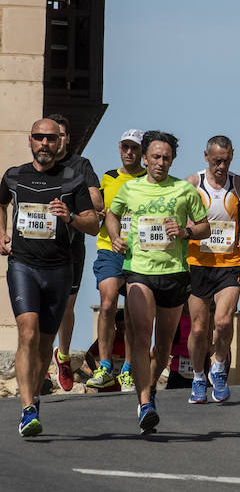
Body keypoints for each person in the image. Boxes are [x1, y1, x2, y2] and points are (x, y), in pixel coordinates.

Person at [106, 131, 210, 435]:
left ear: (172, 160)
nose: (160, 162)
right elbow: (112, 215)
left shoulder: (184, 190)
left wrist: (185, 232)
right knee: (141, 337)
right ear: (145, 158)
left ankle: (150, 388)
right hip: (139, 271)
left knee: (163, 347)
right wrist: (115, 237)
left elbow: (204, 227)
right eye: (155, 157)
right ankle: (144, 404)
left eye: (166, 158)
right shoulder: (131, 188)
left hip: (173, 273)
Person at [0, 119, 98, 436]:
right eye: (39, 137)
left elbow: (93, 224)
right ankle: (27, 409)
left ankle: (35, 396)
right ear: (30, 140)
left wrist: (70, 217)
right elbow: (1, 203)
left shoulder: (72, 179)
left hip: (58, 269)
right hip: (23, 265)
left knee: (44, 344)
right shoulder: (14, 175)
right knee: (27, 332)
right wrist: (1, 233)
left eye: (51, 138)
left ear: (60, 143)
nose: (44, 143)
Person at [185, 135, 240, 404]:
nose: (221, 166)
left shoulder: (239, 184)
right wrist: (187, 228)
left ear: (232, 156)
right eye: (216, 161)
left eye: (226, 160)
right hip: (198, 263)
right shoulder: (192, 183)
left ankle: (220, 366)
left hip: (229, 262)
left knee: (223, 322)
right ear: (206, 157)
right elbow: (179, 217)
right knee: (199, 329)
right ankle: (198, 376)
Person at [45, 114, 104, 392]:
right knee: (40, 306)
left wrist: (72, 201)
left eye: (61, 135)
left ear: (67, 138)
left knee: (66, 306)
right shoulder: (38, 166)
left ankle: (63, 356)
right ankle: (41, 362)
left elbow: (97, 202)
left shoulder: (81, 165)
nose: (55, 140)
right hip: (40, 245)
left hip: (71, 245)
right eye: (50, 136)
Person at [85, 129, 146, 392]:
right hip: (109, 249)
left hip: (140, 254)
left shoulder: (149, 180)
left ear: (143, 152)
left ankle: (128, 370)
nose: (129, 152)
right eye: (125, 147)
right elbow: (97, 208)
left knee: (132, 312)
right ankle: (105, 366)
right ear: (119, 148)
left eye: (135, 148)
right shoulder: (109, 177)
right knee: (107, 302)